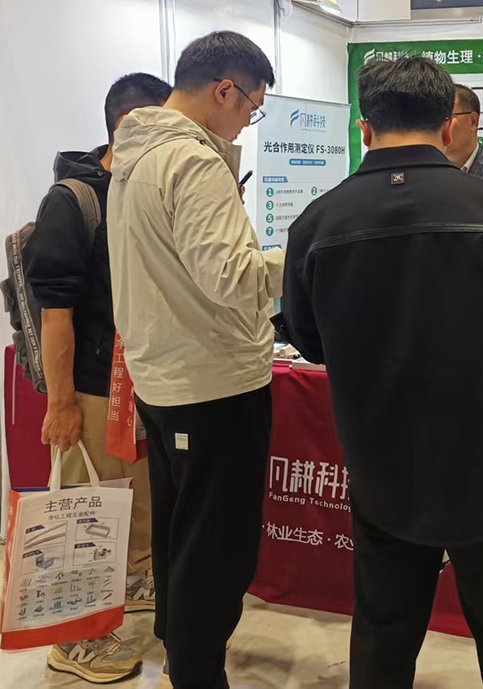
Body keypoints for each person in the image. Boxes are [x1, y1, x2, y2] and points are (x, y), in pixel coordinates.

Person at [283, 57, 483, 689]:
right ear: (448, 127)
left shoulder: (316, 223)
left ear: (365, 129)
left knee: (383, 632)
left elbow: (308, 341)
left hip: (380, 464)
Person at [106, 31, 283, 689]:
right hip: (213, 384)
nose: (246, 123)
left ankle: (185, 659)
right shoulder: (194, 160)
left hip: (165, 378)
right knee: (217, 550)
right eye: (251, 108)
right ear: (224, 90)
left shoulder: (133, 155)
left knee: (183, 538)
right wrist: (302, 257)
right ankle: (196, 672)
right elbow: (232, 277)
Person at [24, 72, 172, 684]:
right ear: (130, 125)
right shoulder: (74, 200)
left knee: (133, 507)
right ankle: (75, 639)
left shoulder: (143, 189)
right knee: (84, 512)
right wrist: (61, 404)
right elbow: (54, 312)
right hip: (89, 386)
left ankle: (132, 582)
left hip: (140, 382)